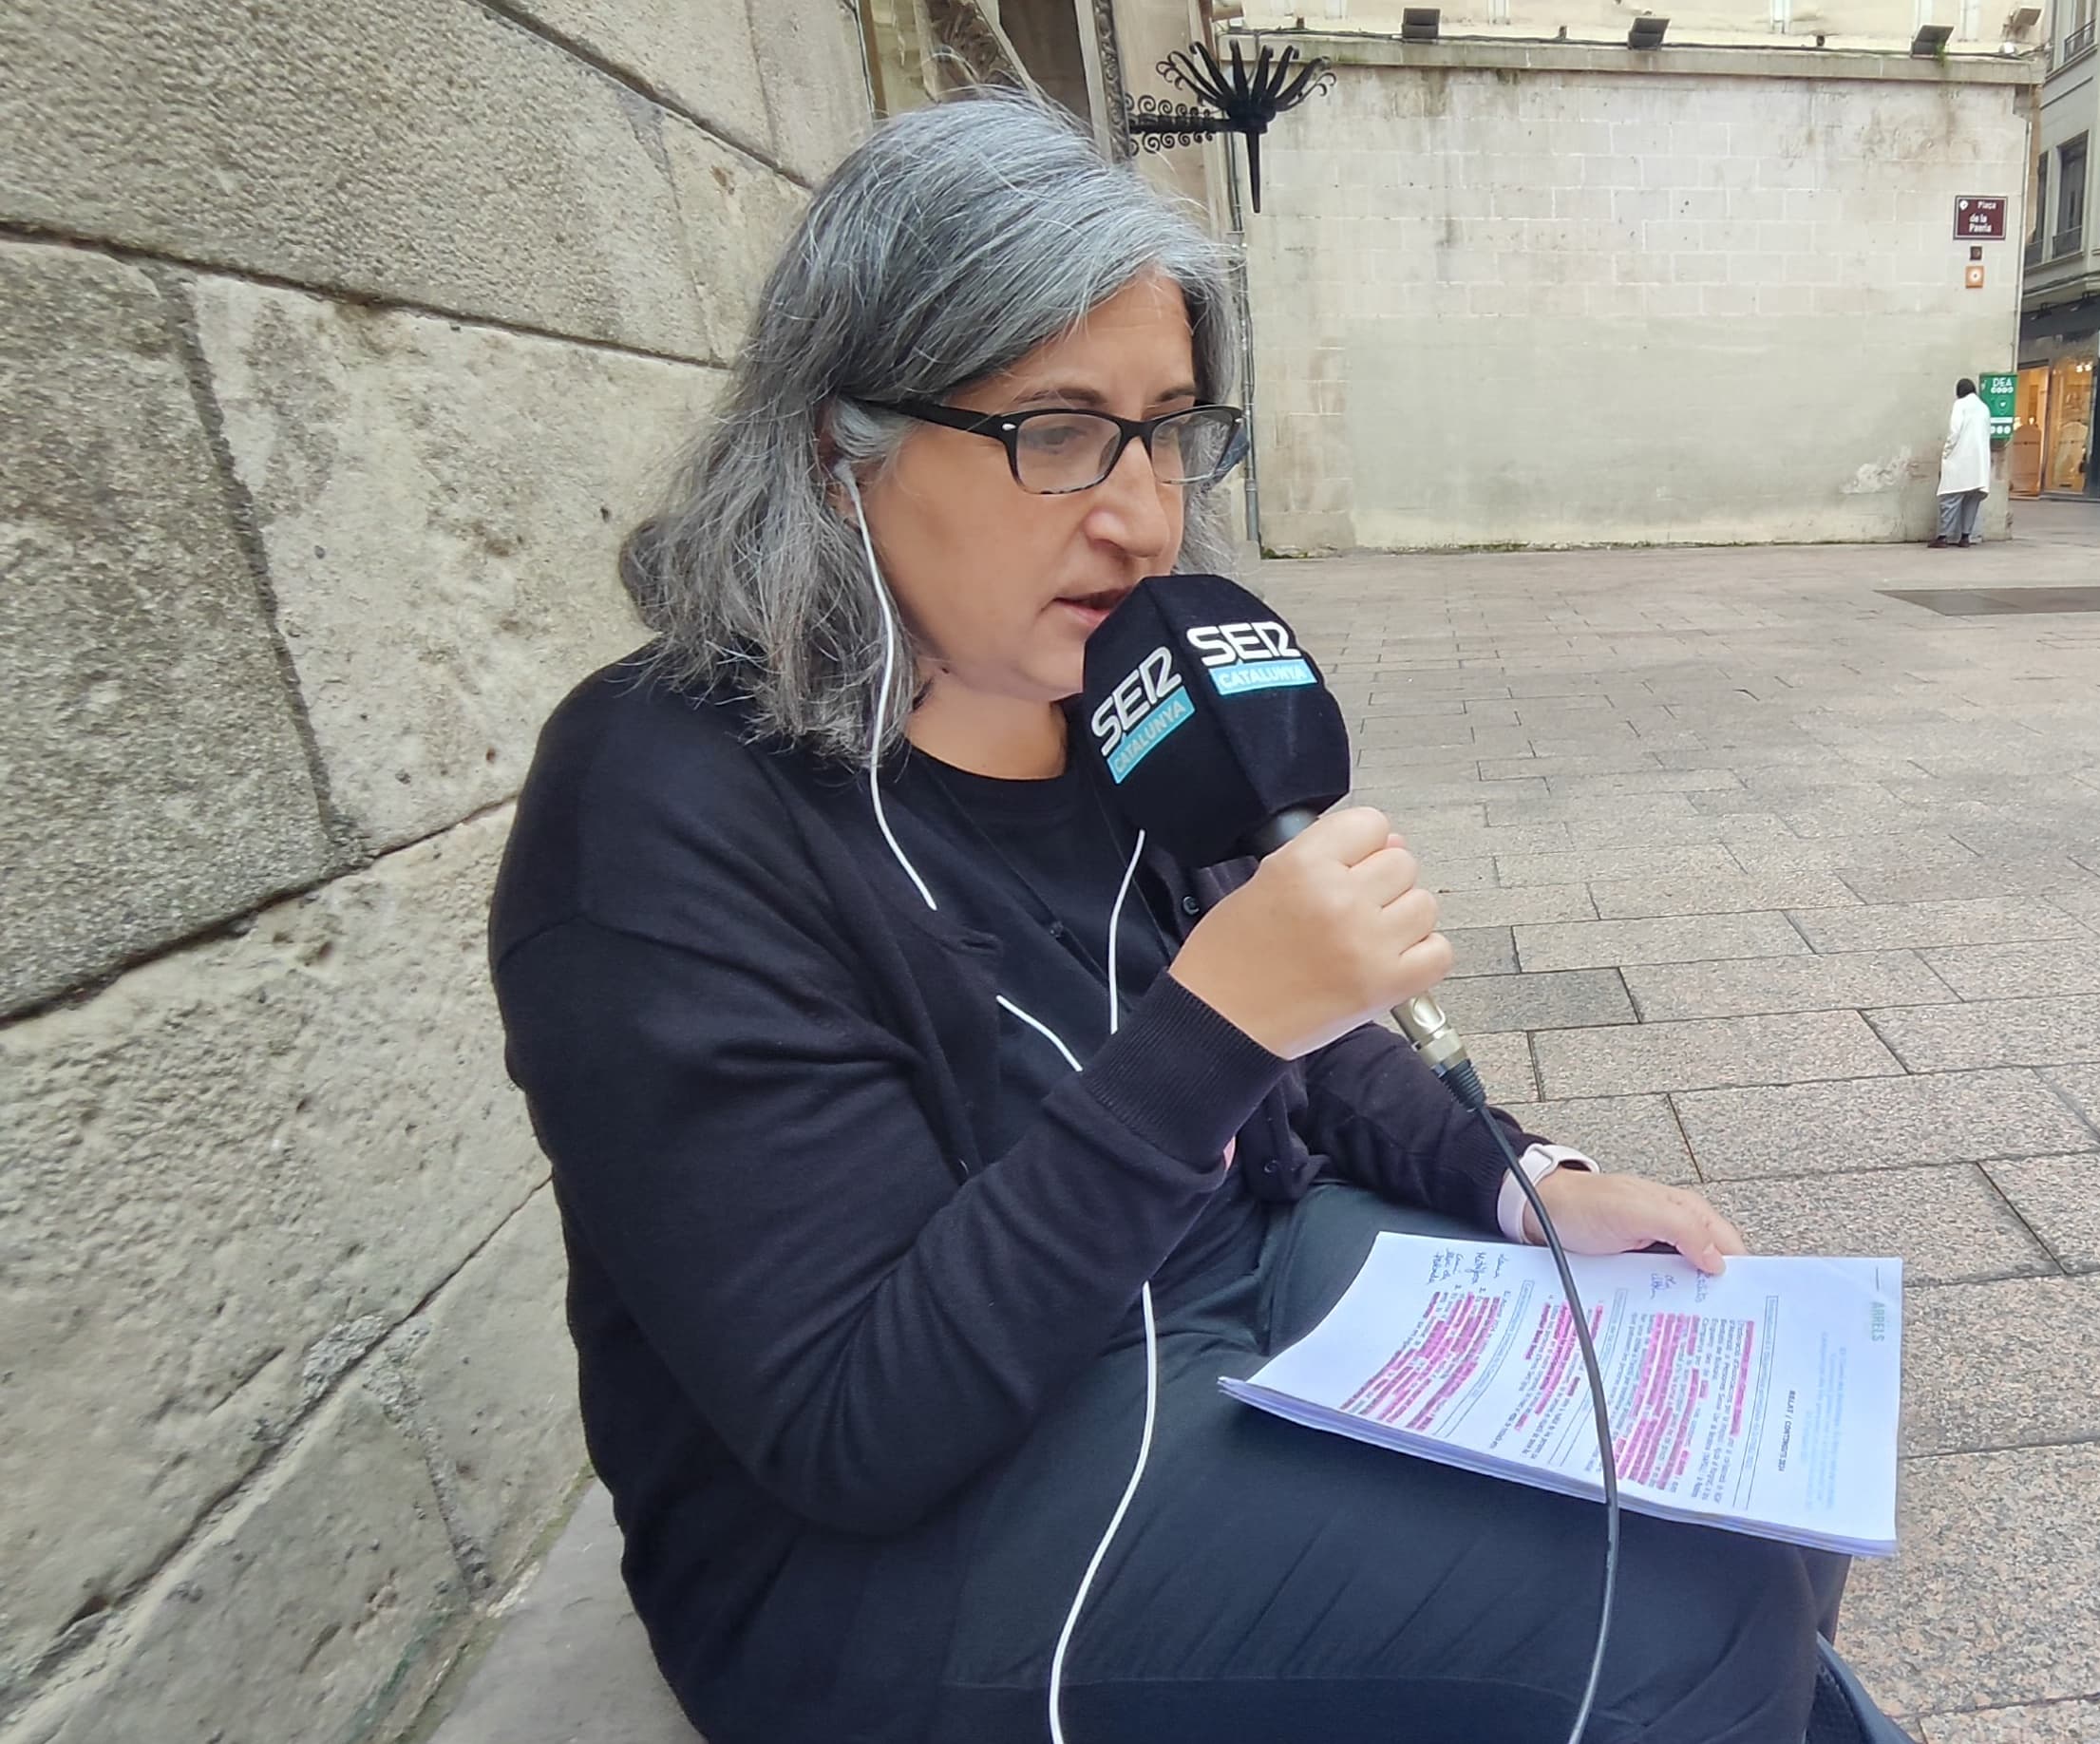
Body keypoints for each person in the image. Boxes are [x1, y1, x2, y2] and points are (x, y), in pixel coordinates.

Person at [489, 91, 1843, 1744]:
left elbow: (1315, 1048)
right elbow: (852, 1417)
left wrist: (1519, 1180)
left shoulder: (1116, 688)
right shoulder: (662, 798)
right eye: (1050, 430)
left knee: (1741, 1468)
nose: (1135, 512)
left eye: (1165, 428)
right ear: (830, 446)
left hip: (1233, 1279)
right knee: (1667, 1614)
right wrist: (1214, 1026)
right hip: (903, 1529)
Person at [1932, 377, 1992, 547]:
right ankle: (1965, 537)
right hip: (1980, 462)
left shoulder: (1961, 405)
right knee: (1972, 500)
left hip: (1960, 458)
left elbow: (1954, 431)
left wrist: (1946, 453)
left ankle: (1943, 536)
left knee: (1950, 499)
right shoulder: (1984, 408)